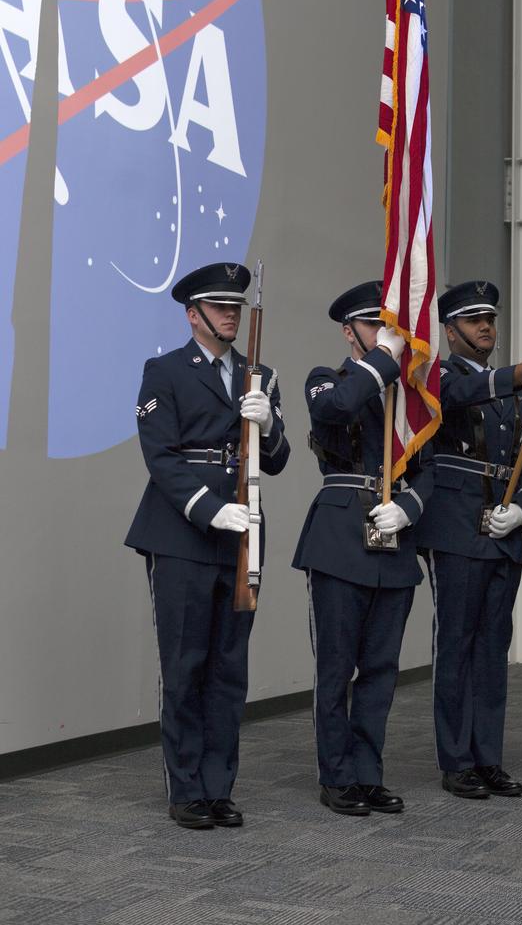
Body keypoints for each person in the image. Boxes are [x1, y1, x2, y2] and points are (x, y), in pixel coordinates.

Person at [126, 262, 289, 829]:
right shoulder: (165, 372)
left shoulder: (259, 376)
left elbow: (278, 459)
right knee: (186, 665)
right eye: (219, 306)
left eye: (236, 306)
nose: (231, 314)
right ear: (192, 314)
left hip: (243, 532)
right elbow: (161, 457)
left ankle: (220, 787)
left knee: (228, 668)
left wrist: (269, 425)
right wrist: (208, 507)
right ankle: (187, 789)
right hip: (183, 534)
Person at [416, 280, 522, 799]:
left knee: (491, 649)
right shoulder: (436, 375)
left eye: (490, 318)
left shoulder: (514, 394)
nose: (486, 326)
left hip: (502, 529)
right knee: (456, 643)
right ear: (449, 330)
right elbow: (457, 398)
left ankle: (488, 758)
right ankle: (456, 759)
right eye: (472, 319)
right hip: (456, 524)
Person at [293, 280, 433, 817]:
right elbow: (345, 403)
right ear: (350, 332)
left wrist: (411, 507)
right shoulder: (326, 380)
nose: (388, 336)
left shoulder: (408, 401)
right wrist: (386, 358)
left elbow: (431, 470)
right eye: (376, 325)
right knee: (336, 667)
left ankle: (368, 773)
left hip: (392, 538)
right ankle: (337, 774)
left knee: (381, 668)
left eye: (392, 327)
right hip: (339, 540)